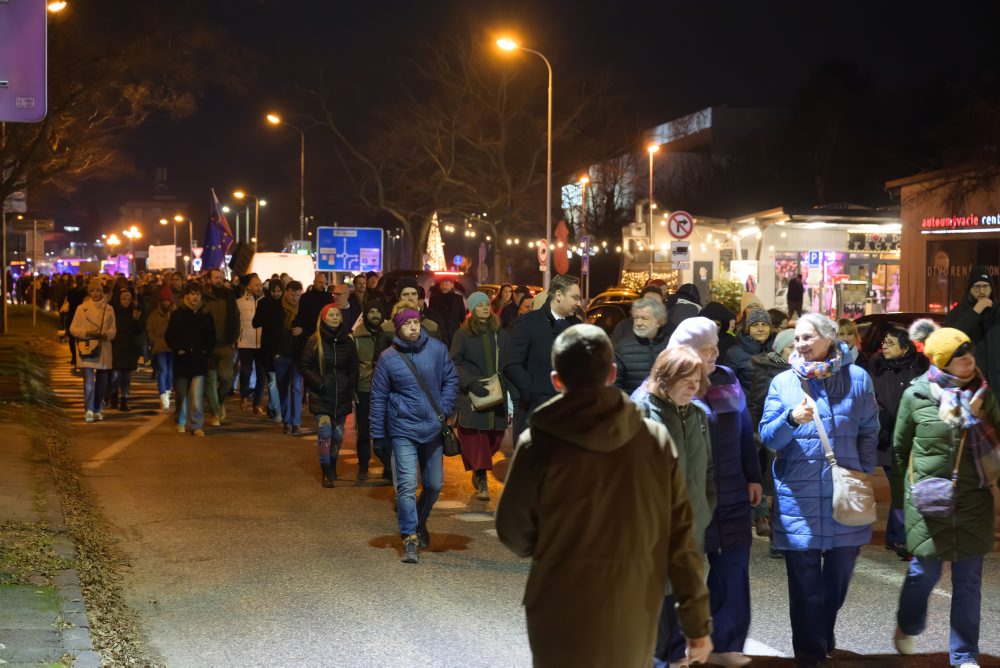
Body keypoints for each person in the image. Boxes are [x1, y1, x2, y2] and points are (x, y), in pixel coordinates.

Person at [496, 324, 712, 667]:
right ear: (612, 373)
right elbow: (680, 536)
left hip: (558, 599)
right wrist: (696, 622)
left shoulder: (538, 442)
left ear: (556, 380)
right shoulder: (653, 439)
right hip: (632, 602)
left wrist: (553, 546)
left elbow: (513, 530)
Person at [760, 312, 879, 666]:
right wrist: (790, 420)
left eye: (808, 337)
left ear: (829, 338)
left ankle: (822, 631)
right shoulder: (782, 382)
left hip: (846, 496)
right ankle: (811, 655)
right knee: (804, 585)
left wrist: (863, 468)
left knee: (839, 574)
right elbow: (768, 438)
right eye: (797, 338)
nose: (800, 344)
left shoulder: (857, 379)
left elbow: (870, 429)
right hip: (798, 498)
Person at [891, 327, 999, 668]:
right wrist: (902, 497)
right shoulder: (918, 395)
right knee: (924, 573)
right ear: (941, 361)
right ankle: (908, 624)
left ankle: (964, 655)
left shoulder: (984, 394)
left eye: (969, 352)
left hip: (973, 499)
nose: (968, 359)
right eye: (959, 355)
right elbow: (899, 448)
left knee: (968, 582)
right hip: (928, 500)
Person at [664, 316, 761, 667]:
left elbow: (744, 430)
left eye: (716, 346)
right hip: (686, 500)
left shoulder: (728, 378)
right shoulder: (668, 386)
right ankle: (673, 649)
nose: (716, 353)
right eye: (708, 348)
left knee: (732, 571)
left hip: (732, 492)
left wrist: (753, 475)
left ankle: (726, 644)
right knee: (679, 577)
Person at [630, 345, 717, 668]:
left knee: (677, 626)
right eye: (687, 380)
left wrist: (704, 510)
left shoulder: (697, 415)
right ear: (665, 378)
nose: (694, 388)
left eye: (698, 381)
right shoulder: (638, 412)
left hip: (689, 533)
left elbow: (707, 471)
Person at [370, 308, 459, 564]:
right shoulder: (388, 358)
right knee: (407, 486)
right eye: (408, 323)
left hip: (432, 428)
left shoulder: (438, 349)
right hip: (403, 429)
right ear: (398, 328)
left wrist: (442, 407)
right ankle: (409, 537)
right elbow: (378, 397)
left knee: (434, 484)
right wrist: (377, 433)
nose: (413, 327)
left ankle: (420, 521)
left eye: (416, 322)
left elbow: (451, 379)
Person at [871, 325, 929, 559]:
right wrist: (881, 416)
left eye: (891, 343)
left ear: (905, 348)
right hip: (888, 437)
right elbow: (870, 395)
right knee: (900, 487)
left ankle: (897, 537)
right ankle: (901, 539)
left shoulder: (921, 367)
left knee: (907, 488)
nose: (885, 346)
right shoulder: (877, 367)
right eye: (884, 342)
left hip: (914, 436)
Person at [502, 273, 582, 439]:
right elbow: (512, 364)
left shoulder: (577, 326)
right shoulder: (528, 323)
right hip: (535, 414)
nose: (578, 303)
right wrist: (534, 392)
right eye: (575, 297)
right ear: (559, 295)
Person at [450, 292, 508, 500]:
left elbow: (508, 360)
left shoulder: (499, 332)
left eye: (487, 304)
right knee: (477, 436)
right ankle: (482, 476)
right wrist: (470, 382)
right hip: (473, 395)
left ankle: (479, 467)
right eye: (479, 305)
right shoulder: (463, 334)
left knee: (496, 436)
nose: (484, 307)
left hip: (497, 393)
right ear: (472, 309)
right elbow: (454, 362)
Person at [300, 304, 359, 488]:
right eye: (331, 314)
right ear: (323, 318)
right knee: (325, 432)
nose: (334, 317)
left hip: (341, 395)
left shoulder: (348, 341)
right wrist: (320, 383)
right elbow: (304, 366)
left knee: (338, 435)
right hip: (322, 395)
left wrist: (348, 384)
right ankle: (326, 470)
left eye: (337, 314)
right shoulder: (314, 340)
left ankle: (333, 464)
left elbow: (353, 367)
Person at [747, 327, 796, 545]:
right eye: (791, 347)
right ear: (779, 349)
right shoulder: (767, 371)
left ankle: (776, 528)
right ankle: (766, 518)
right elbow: (756, 404)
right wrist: (756, 434)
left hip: (795, 433)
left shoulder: (802, 370)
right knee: (773, 482)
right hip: (771, 434)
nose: (796, 351)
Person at [166, 281, 216, 436]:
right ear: (186, 296)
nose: (195, 297)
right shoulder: (177, 314)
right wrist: (177, 349)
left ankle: (196, 425)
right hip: (182, 359)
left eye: (198, 294)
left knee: (196, 395)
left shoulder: (206, 314)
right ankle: (180, 420)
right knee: (181, 394)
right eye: (192, 294)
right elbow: (169, 335)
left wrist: (206, 352)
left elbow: (212, 336)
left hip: (199, 359)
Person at [352, 299, 392, 481]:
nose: (375, 315)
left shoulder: (391, 333)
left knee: (386, 429)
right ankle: (363, 466)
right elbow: (351, 365)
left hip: (387, 389)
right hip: (364, 387)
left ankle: (388, 466)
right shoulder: (357, 336)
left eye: (378, 312)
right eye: (371, 312)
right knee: (364, 430)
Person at [70, 279, 117, 423]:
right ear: (89, 292)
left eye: (98, 291)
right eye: (92, 291)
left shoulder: (109, 309)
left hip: (103, 348)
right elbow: (73, 329)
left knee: (102, 382)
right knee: (89, 381)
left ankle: (97, 409)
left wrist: (106, 335)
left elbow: (113, 330)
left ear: (102, 292)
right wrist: (87, 333)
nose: (95, 294)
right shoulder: (81, 308)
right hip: (88, 348)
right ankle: (89, 409)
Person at [945, 266, 1000, 390]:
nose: (982, 291)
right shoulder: (957, 314)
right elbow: (952, 339)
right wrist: (976, 311)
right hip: (969, 386)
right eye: (977, 286)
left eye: (985, 286)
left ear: (992, 288)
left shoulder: (997, 313)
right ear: (969, 288)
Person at [202, 268, 239, 426]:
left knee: (226, 380)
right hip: (208, 346)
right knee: (210, 381)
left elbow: (236, 318)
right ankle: (216, 412)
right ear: (209, 279)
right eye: (216, 277)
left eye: (221, 277)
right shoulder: (203, 297)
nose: (219, 280)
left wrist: (234, 338)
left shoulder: (229, 296)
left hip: (226, 345)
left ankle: (220, 402)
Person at [613, 296, 670, 395]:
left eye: (644, 318)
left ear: (658, 321)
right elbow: (614, 386)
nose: (638, 323)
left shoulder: (670, 346)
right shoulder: (623, 348)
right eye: (636, 318)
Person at [253, 280, 286, 423]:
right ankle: (277, 410)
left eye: (278, 291)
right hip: (276, 346)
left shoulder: (263, 303)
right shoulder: (284, 304)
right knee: (275, 380)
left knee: (273, 380)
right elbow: (256, 323)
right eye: (274, 291)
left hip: (271, 345)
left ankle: (276, 410)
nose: (276, 293)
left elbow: (256, 323)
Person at [725, 307, 775, 395]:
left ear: (770, 328)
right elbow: (728, 386)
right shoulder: (735, 353)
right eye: (755, 325)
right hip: (748, 406)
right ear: (748, 329)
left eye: (764, 324)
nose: (760, 329)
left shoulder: (777, 349)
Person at [236, 274, 266, 414]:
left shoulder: (265, 302)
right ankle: (244, 396)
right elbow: (236, 323)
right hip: (245, 342)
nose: (259, 287)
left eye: (260, 285)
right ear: (249, 286)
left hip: (261, 343)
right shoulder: (240, 302)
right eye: (256, 285)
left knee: (261, 374)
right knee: (246, 371)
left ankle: (257, 403)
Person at [109, 287, 142, 412]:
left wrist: (136, 320)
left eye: (128, 299)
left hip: (129, 349)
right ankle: (113, 396)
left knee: (126, 377)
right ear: (119, 299)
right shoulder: (114, 312)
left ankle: (124, 400)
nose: (126, 301)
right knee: (115, 375)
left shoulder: (133, 313)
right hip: (116, 347)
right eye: (124, 299)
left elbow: (139, 331)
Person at [147, 285, 175, 410]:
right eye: (163, 299)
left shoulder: (175, 313)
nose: (165, 302)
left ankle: (167, 391)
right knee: (163, 370)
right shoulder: (154, 314)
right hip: (159, 347)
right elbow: (149, 328)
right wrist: (153, 339)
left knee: (170, 372)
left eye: (167, 299)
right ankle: (163, 394)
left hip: (172, 346)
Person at [429, 277, 467, 345]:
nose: (444, 287)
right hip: (439, 336)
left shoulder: (458, 299)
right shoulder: (433, 299)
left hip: (455, 336)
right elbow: (431, 318)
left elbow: (463, 318)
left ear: (452, 285)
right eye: (442, 285)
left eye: (446, 284)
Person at [297, 272, 333, 340]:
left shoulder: (328, 297)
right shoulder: (305, 297)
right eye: (320, 282)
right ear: (314, 282)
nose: (322, 285)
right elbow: (301, 314)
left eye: (324, 283)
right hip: (308, 334)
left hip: (324, 333)